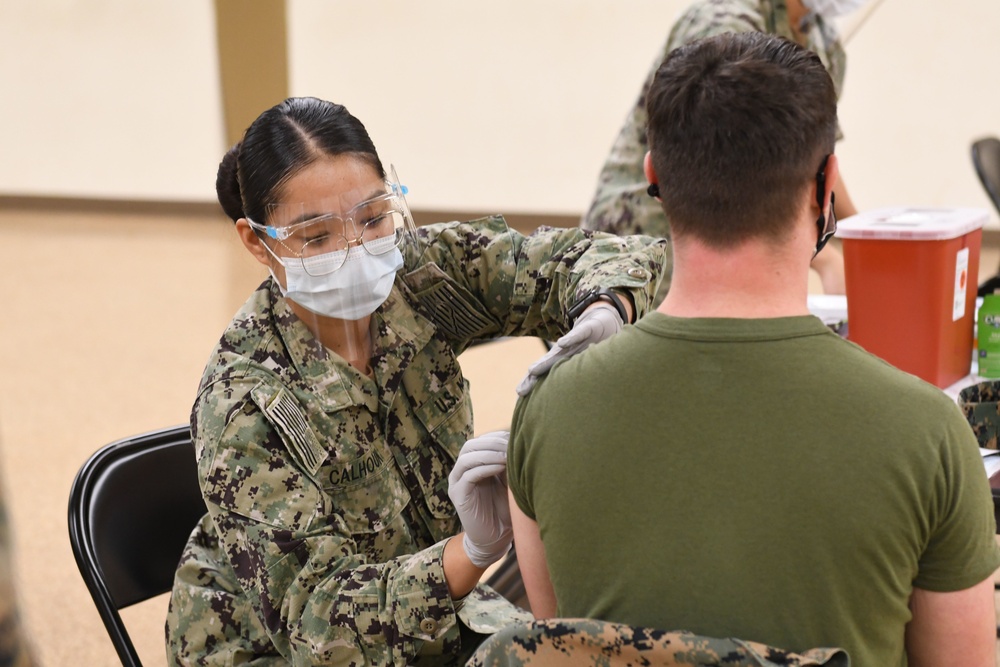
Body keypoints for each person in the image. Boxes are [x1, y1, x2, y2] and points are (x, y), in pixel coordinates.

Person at [507, 32, 1000, 666]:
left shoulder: (547, 410)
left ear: (654, 176)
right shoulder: (928, 432)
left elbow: (561, 644)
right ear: (827, 188)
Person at [164, 96, 667, 666]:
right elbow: (319, 628)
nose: (356, 249)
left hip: (436, 619)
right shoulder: (244, 403)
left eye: (373, 218)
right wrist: (471, 552)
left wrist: (607, 306)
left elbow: (616, 255)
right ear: (258, 242)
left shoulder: (418, 277)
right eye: (316, 237)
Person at [583, 0, 870, 301]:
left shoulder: (823, 39)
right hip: (640, 252)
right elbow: (732, 171)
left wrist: (862, 238)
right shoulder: (726, 27)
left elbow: (808, 157)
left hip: (723, 260)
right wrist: (824, 258)